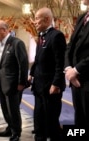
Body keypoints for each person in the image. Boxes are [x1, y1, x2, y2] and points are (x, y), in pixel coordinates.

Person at [28, 7, 66, 141]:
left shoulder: (56, 36)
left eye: (37, 18)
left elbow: (60, 63)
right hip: (39, 86)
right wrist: (31, 74)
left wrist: (56, 83)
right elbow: (38, 59)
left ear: (47, 19)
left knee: (51, 121)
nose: (34, 21)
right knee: (38, 117)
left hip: (51, 88)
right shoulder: (41, 36)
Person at [0, 20, 29, 141]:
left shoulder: (17, 43)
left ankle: (16, 132)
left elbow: (23, 65)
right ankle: (10, 127)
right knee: (5, 109)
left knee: (13, 110)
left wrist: (21, 83)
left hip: (13, 85)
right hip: (1, 84)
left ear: (4, 30)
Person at [64, 0, 89, 138]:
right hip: (76, 81)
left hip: (86, 78)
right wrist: (68, 69)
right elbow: (70, 45)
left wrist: (77, 70)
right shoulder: (82, 17)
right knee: (79, 123)